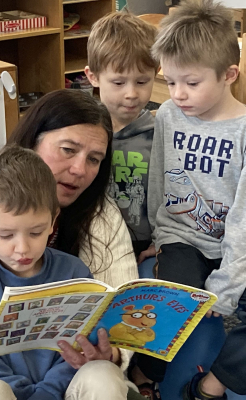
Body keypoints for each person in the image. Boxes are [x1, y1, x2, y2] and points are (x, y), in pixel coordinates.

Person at [0, 90, 140, 398]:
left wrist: (111, 354)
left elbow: (102, 332)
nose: (79, 169)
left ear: (52, 223)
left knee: (102, 375)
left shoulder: (84, 249)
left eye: (94, 159)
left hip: (64, 386)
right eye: (67, 150)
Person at [136, 1, 246, 399]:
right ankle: (146, 377)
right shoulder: (168, 114)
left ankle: (213, 384)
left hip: (239, 243)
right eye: (170, 82)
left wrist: (226, 286)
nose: (177, 94)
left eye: (190, 82)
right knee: (170, 303)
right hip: (181, 236)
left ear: (229, 74)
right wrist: (158, 231)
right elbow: (160, 179)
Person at [0, 145, 103, 400]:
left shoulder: (74, 271)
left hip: (62, 391)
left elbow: (78, 351)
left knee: (103, 374)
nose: (23, 249)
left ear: (53, 220)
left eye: (36, 232)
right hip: (2, 390)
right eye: (6, 235)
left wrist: (46, 393)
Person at [84, 11, 158, 262]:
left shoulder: (159, 136)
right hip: (93, 243)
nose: (131, 94)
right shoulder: (80, 132)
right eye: (118, 83)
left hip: (145, 247)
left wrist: (161, 242)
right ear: (92, 76)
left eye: (141, 81)